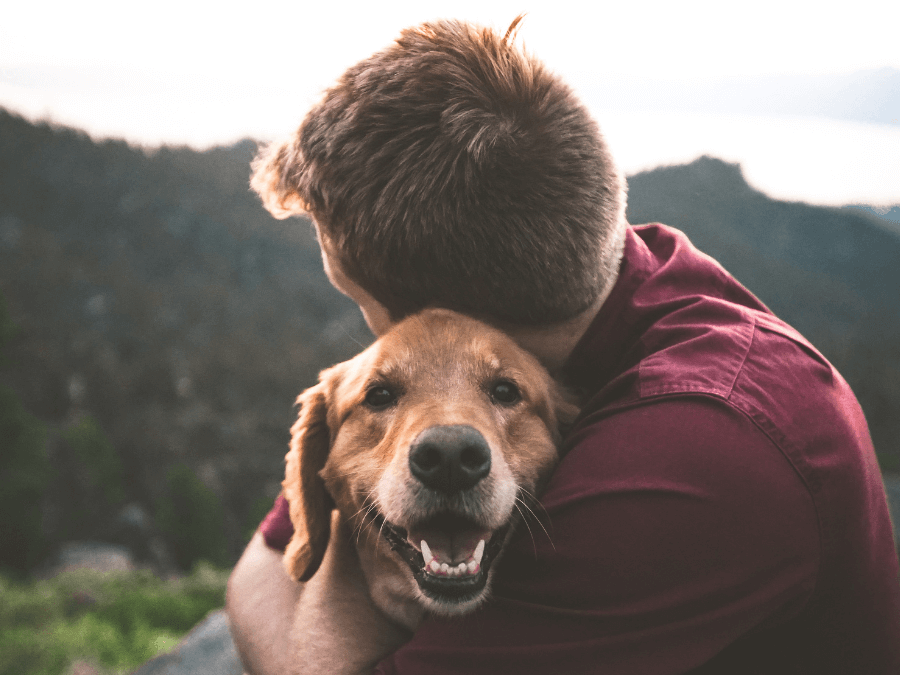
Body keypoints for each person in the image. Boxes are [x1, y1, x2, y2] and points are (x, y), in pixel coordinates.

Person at [226, 16, 900, 674]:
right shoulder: (622, 275)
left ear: (442, 316)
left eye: (359, 299)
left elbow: (272, 591)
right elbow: (265, 560)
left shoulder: (697, 454)